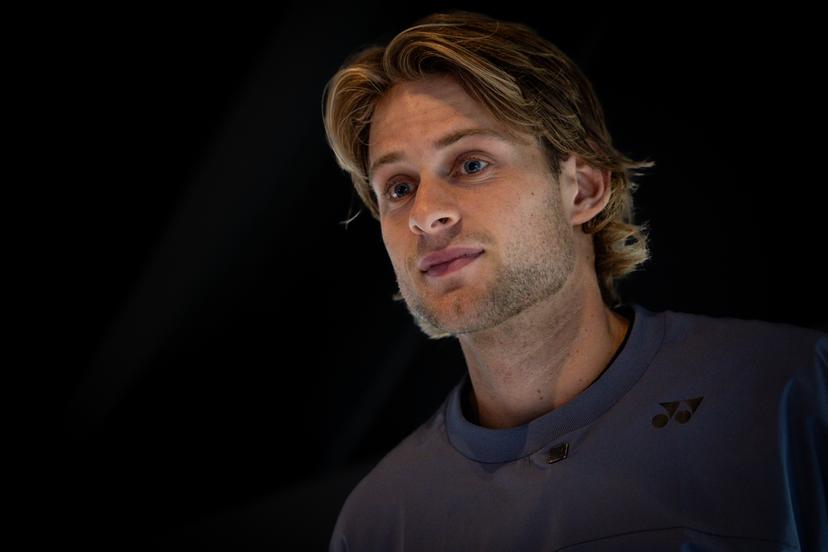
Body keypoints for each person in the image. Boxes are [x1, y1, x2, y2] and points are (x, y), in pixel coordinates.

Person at [321, 10, 827, 551]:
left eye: (470, 164)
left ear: (582, 190)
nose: (425, 213)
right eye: (397, 188)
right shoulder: (379, 524)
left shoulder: (788, 390)